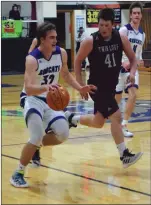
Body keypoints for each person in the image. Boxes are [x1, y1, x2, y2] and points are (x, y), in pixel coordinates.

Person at [10, 22, 96, 188]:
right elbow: (28, 88)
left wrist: (80, 87)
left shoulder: (61, 53)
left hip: (50, 100)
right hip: (33, 98)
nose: (55, 40)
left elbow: (66, 75)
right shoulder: (32, 59)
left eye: (56, 37)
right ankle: (18, 173)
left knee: (63, 134)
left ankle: (35, 147)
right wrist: (45, 87)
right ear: (42, 40)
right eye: (51, 38)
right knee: (35, 136)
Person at [65, 8, 143, 168]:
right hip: (96, 87)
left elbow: (133, 59)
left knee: (99, 121)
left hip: (110, 86)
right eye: (101, 25)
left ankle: (71, 118)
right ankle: (124, 155)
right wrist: (80, 86)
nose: (103, 29)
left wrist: (133, 72)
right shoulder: (91, 41)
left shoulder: (120, 39)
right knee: (116, 116)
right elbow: (77, 61)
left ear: (112, 25)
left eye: (107, 25)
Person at [115, 2, 145, 137]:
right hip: (119, 67)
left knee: (133, 94)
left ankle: (124, 125)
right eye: (134, 13)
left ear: (141, 16)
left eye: (139, 13)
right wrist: (122, 62)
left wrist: (138, 60)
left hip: (132, 69)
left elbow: (138, 53)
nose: (137, 15)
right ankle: (115, 122)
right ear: (131, 15)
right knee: (116, 97)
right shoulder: (123, 30)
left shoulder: (142, 34)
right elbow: (115, 48)